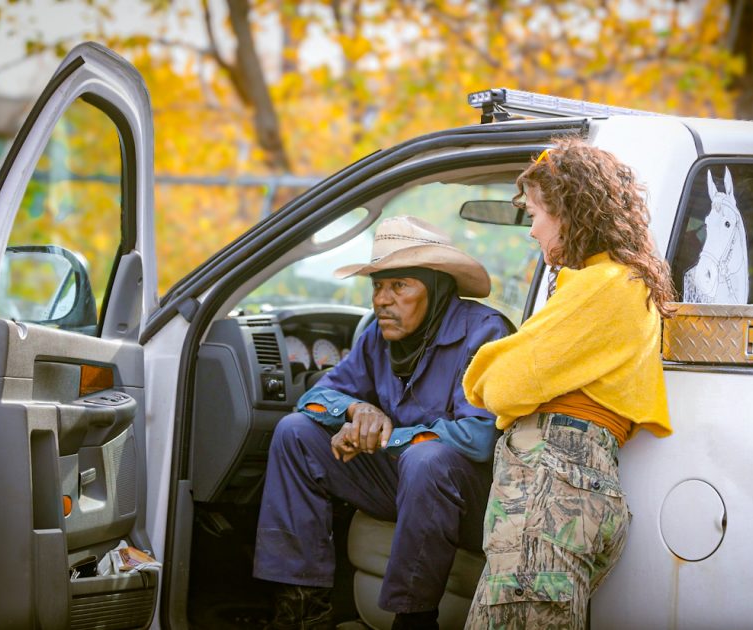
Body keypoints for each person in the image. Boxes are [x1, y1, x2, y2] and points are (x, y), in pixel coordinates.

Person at [253, 216, 513, 630]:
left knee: (426, 460)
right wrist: (358, 413)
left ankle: (413, 618)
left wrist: (389, 436)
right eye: (377, 286)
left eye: (400, 286)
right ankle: (302, 612)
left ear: (437, 286)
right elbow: (312, 399)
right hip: (405, 479)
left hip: (470, 496)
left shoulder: (484, 332)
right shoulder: (379, 334)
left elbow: (480, 438)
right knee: (295, 433)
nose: (381, 300)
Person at [462, 139, 676, 629]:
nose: (532, 228)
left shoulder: (608, 284)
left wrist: (489, 367)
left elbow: (500, 386)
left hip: (552, 489)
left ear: (571, 212)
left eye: (536, 213)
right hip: (571, 486)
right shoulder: (615, 283)